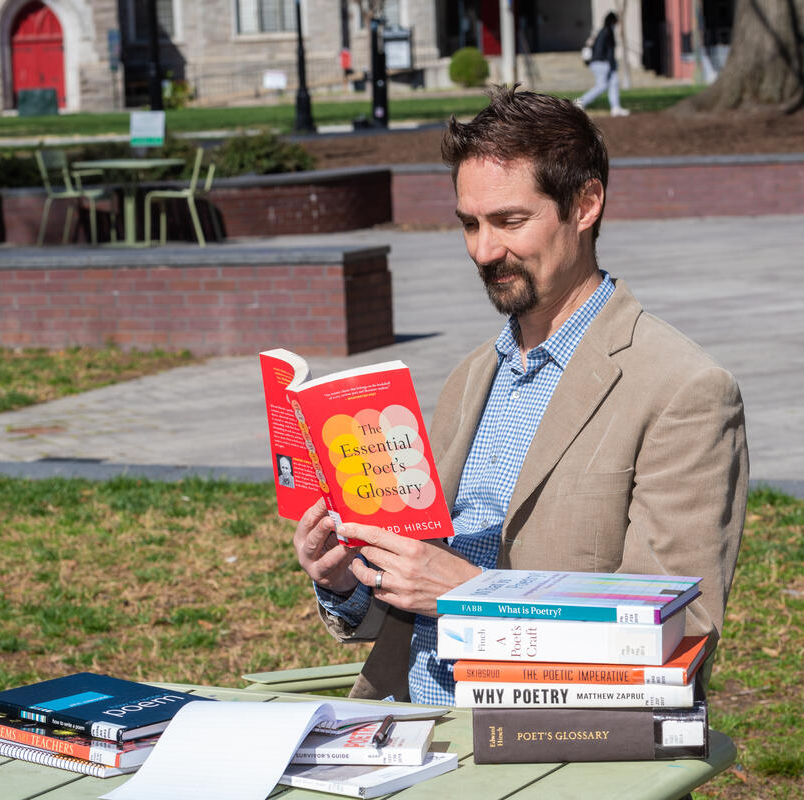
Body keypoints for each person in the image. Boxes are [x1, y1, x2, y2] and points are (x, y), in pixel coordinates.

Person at [294, 85, 747, 705]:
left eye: (510, 221)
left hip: (552, 745)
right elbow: (409, 615)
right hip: (413, 729)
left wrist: (470, 597)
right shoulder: (470, 378)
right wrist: (349, 580)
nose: (485, 250)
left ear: (585, 204)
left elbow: (674, 637)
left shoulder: (683, 390)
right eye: (470, 224)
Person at [577, 12, 629, 117]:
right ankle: (580, 102)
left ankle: (616, 108)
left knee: (614, 83)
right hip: (602, 63)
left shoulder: (602, 32)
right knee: (602, 86)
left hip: (599, 63)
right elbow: (609, 51)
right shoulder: (608, 32)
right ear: (613, 21)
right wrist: (612, 64)